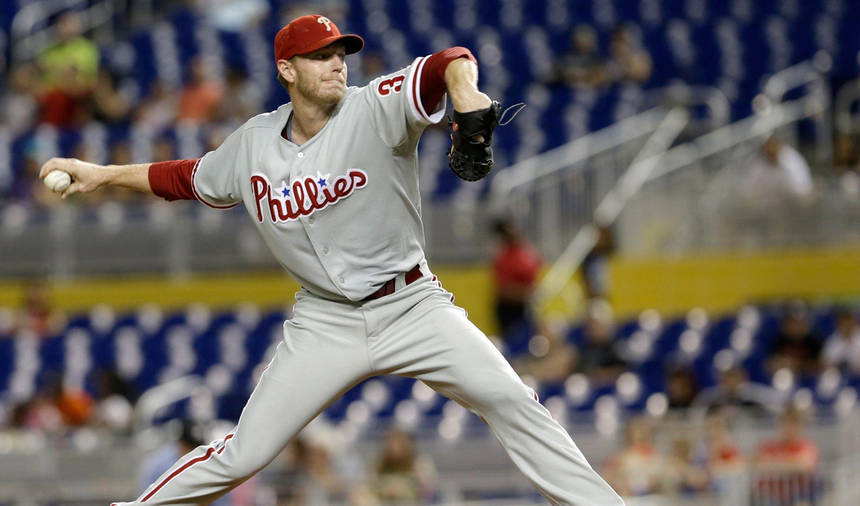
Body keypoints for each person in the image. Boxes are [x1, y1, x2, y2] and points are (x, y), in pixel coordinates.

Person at [39, 15, 622, 505]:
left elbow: (450, 60)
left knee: (512, 400)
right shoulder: (253, 144)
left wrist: (465, 93)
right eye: (320, 56)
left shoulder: (376, 108)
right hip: (326, 320)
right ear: (287, 70)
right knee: (244, 453)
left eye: (340, 53)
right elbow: (185, 177)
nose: (337, 64)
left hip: (412, 304)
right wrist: (103, 174)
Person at [491, 218, 542, 352]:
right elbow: (504, 290)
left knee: (529, 342)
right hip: (509, 309)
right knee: (511, 344)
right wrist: (526, 293)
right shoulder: (503, 257)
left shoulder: (525, 252)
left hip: (523, 307)